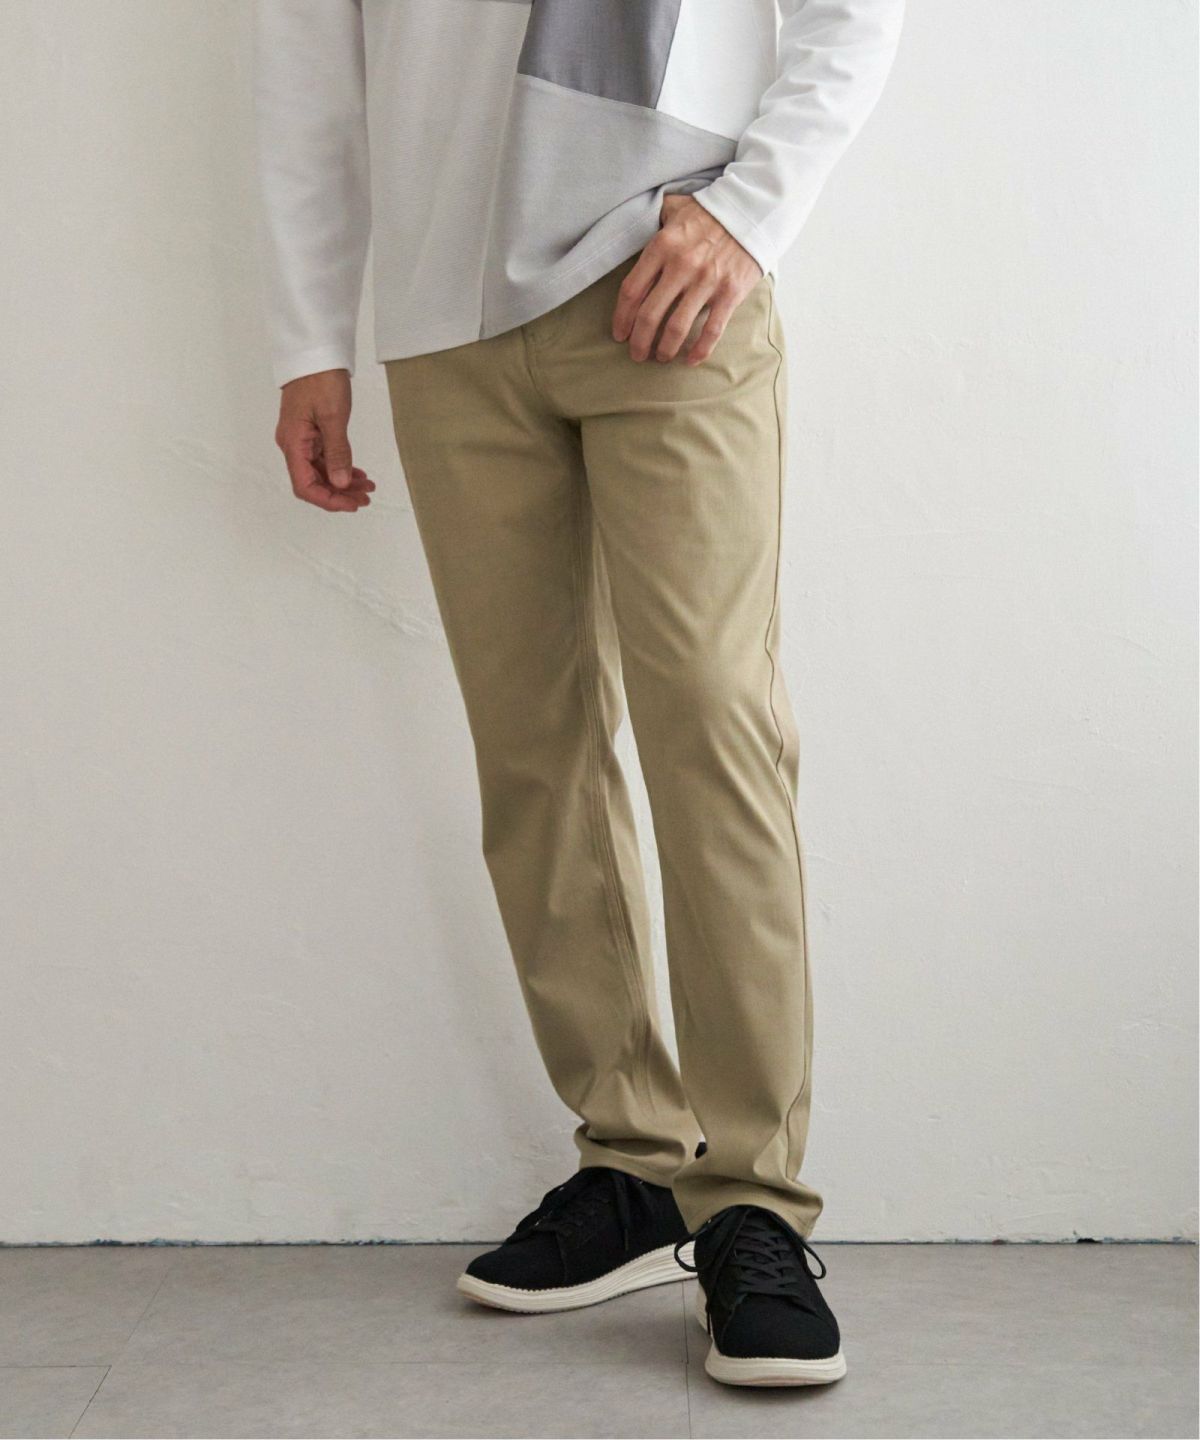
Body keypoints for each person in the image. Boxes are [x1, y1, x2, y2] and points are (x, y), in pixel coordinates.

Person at [254, 0, 904, 1388]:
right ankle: (633, 1159)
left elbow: (855, 12)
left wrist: (750, 215)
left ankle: (751, 1202)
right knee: (534, 751)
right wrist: (311, 334)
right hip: (448, 309)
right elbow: (310, 64)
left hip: (670, 270)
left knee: (712, 728)